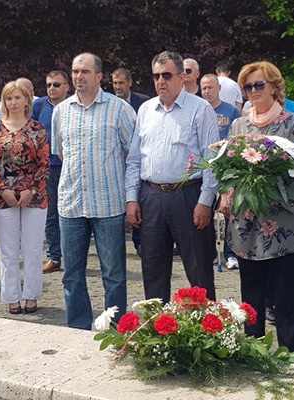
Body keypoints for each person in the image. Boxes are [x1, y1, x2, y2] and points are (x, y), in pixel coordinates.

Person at [217, 61, 294, 352]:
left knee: (287, 297)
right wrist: (227, 194)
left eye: (259, 85)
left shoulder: (292, 123)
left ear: (274, 87)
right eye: (247, 87)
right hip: (246, 224)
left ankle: (289, 355)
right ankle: (254, 352)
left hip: (282, 222)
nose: (253, 91)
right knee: (251, 295)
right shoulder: (238, 125)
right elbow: (228, 168)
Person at [125, 51, 219, 304]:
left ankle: (208, 331)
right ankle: (157, 332)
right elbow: (134, 158)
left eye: (166, 75)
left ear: (181, 77)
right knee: (152, 270)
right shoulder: (146, 110)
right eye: (156, 76)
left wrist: (205, 201)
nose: (160, 81)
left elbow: (211, 159)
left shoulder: (200, 109)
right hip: (151, 196)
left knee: (198, 270)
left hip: (188, 196)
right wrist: (131, 198)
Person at [52, 53, 135, 330]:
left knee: (113, 275)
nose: (79, 76)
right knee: (71, 275)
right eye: (75, 71)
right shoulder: (60, 111)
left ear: (100, 76)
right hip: (72, 204)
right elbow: (62, 154)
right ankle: (78, 327)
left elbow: (131, 154)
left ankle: (115, 329)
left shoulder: (119, 109)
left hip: (108, 204)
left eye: (85, 71)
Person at [0, 81, 49, 315]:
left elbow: (44, 164)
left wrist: (31, 190)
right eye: (9, 98)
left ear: (26, 100)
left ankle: (31, 295)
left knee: (32, 249)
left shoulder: (38, 128)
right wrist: (3, 190)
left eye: (18, 98)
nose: (13, 102)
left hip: (35, 194)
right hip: (4, 196)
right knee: (8, 251)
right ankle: (12, 297)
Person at [200, 73, 241, 270]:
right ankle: (207, 252)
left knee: (228, 210)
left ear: (218, 89)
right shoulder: (198, 109)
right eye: (203, 88)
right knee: (206, 208)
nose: (207, 92)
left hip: (226, 167)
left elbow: (239, 137)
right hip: (206, 166)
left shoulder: (231, 110)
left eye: (210, 88)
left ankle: (231, 252)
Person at [33, 70, 70, 274]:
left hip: (69, 165)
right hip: (47, 167)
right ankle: (54, 256)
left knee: (70, 213)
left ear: (67, 87)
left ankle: (72, 255)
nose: (51, 89)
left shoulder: (74, 105)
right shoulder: (40, 105)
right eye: (48, 85)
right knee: (51, 212)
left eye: (56, 84)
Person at [112, 67, 150, 256]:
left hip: (137, 162)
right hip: (115, 163)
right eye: (114, 83)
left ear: (129, 83)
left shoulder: (143, 103)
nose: (117, 87)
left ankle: (139, 241)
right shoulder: (108, 105)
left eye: (121, 83)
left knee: (137, 200)